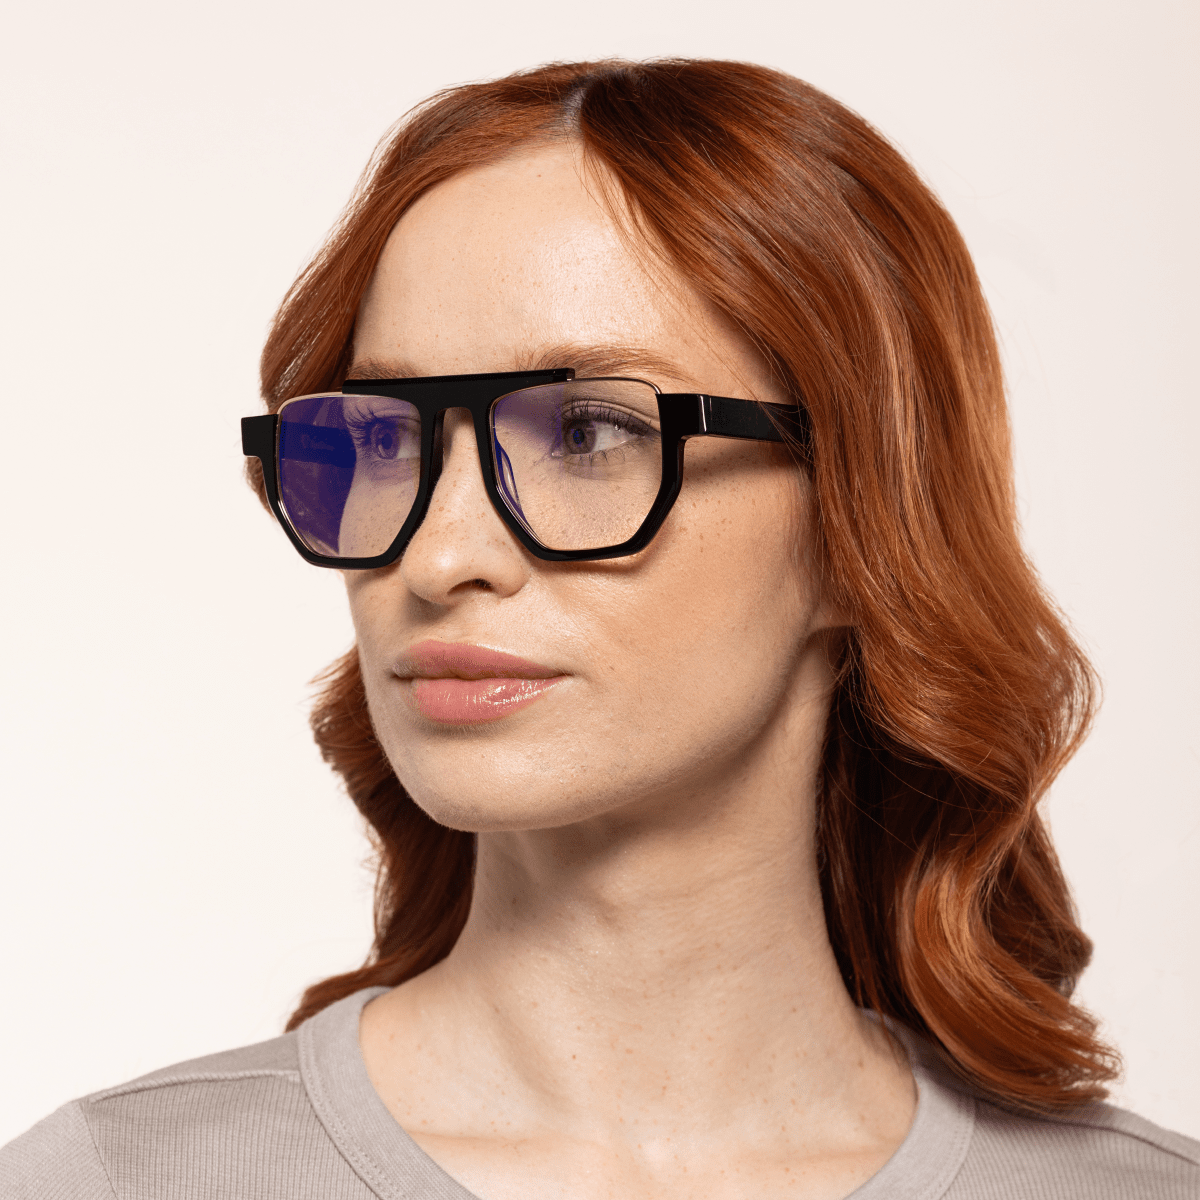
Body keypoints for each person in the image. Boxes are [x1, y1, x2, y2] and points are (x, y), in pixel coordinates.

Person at [2, 57, 1197, 1200]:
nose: (439, 557)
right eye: (382, 437)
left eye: (586, 433)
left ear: (862, 522)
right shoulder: (111, 1183)